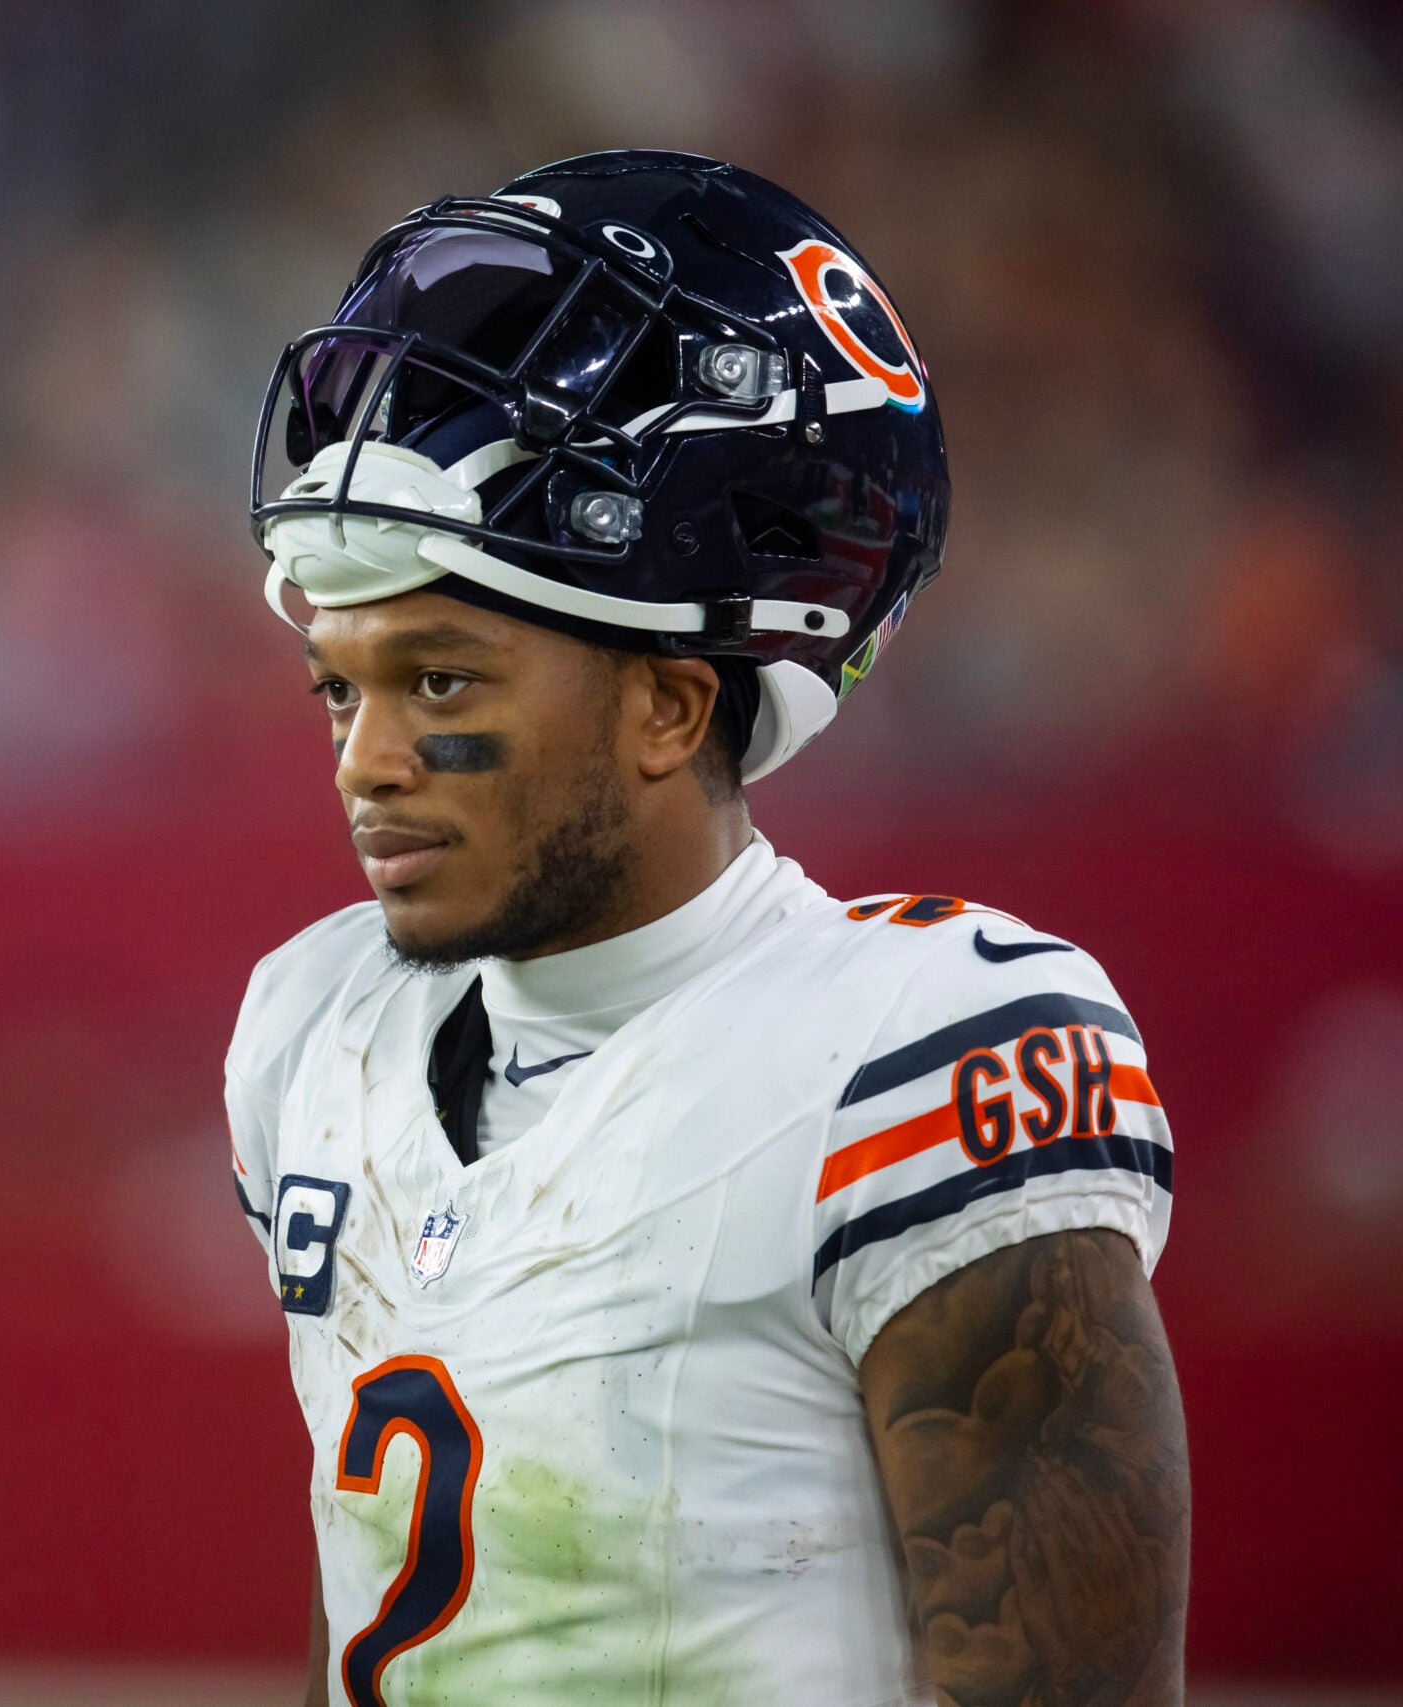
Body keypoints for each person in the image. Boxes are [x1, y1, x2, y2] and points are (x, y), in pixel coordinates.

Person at [227, 152, 1187, 1704]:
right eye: (342, 686)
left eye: (441, 681)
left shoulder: (910, 1051)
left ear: (673, 707)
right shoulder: (313, 1029)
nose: (366, 759)